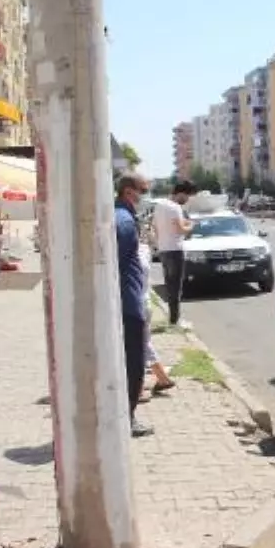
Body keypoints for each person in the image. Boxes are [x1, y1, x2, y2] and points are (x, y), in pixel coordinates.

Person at [115, 172, 154, 438]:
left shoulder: (121, 216)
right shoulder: (125, 220)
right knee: (134, 363)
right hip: (128, 303)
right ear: (129, 191)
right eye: (143, 190)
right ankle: (127, 418)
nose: (144, 195)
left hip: (125, 299)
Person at [153, 181, 196, 326]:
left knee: (169, 285)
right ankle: (175, 320)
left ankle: (172, 318)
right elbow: (180, 229)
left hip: (163, 250)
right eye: (188, 196)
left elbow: (155, 228)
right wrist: (191, 225)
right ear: (181, 193)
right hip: (175, 250)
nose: (188, 199)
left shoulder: (159, 206)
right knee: (176, 287)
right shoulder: (175, 207)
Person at [138, 244, 174, 402]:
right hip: (145, 303)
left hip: (135, 304)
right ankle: (162, 378)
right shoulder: (144, 250)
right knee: (144, 343)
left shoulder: (124, 254)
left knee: (136, 347)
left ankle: (138, 388)